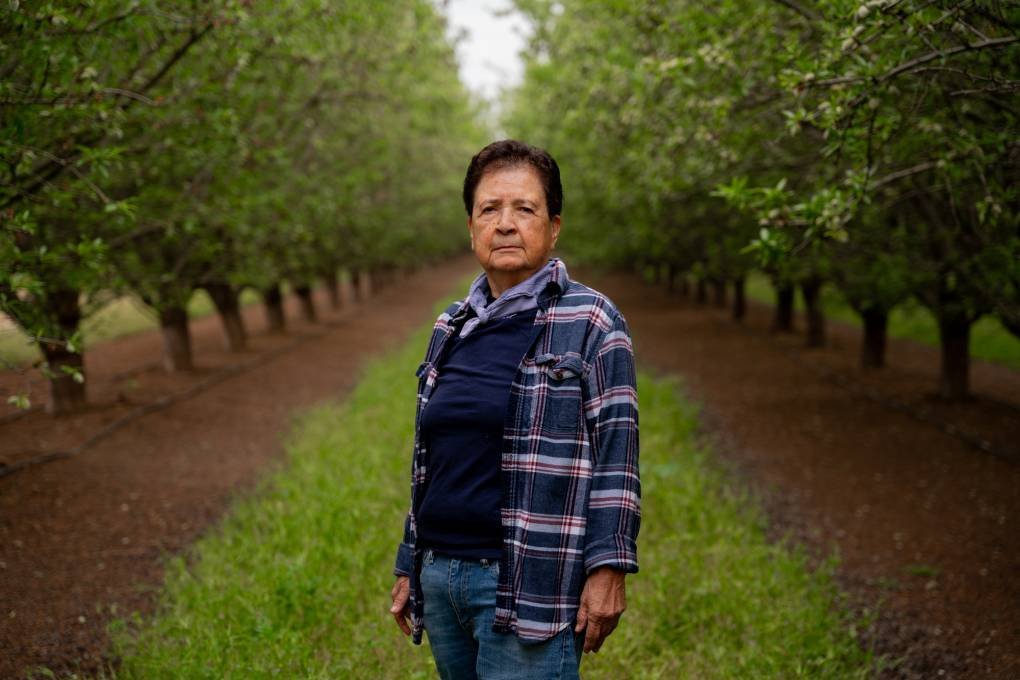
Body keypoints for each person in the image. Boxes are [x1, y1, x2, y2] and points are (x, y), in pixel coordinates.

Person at [389, 139, 640, 679]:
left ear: (554, 227)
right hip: (442, 578)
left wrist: (610, 567)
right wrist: (410, 562)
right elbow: (429, 461)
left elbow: (617, 458)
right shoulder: (450, 326)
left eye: (524, 208)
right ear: (471, 228)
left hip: (530, 582)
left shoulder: (592, 321)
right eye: (489, 209)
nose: (505, 224)